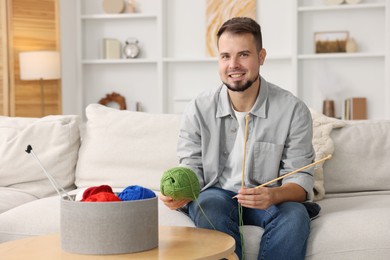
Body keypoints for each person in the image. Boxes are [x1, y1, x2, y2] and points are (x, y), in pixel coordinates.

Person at [160, 17, 318, 260]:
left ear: (261, 56)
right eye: (225, 56)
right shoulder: (199, 108)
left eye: (243, 54)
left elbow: (301, 177)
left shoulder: (293, 109)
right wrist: (181, 192)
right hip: (218, 193)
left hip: (271, 196)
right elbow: (191, 166)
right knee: (208, 205)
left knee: (295, 216)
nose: (233, 64)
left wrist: (273, 195)